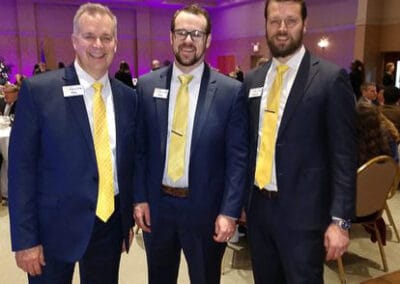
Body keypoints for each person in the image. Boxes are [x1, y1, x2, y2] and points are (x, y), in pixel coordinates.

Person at [8, 3, 138, 283]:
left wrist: (126, 218)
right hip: (52, 229)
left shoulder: (128, 98)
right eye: (89, 36)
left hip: (108, 224)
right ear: (75, 41)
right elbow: (21, 170)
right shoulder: (39, 91)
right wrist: (25, 239)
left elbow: (129, 163)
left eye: (106, 37)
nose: (98, 44)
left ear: (115, 43)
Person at [243, 0, 357, 283]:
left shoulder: (330, 79)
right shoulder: (252, 80)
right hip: (258, 212)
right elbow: (246, 145)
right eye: (274, 21)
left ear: (305, 24)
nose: (282, 29)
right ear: (266, 25)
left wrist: (340, 221)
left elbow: (344, 156)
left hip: (304, 218)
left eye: (291, 21)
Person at [133, 4, 248, 284]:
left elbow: (237, 159)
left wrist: (230, 211)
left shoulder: (230, 92)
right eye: (182, 32)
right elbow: (139, 150)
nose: (188, 40)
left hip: (206, 211)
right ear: (171, 37)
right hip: (157, 209)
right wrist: (139, 198)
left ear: (207, 39)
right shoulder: (147, 86)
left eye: (196, 33)